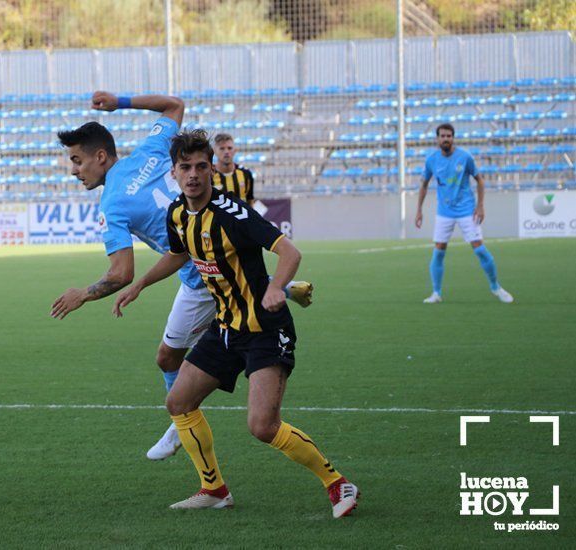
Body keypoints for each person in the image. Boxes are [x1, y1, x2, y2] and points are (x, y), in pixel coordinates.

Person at [51, 92, 313, 461]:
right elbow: (173, 105)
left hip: (200, 277)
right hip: (216, 248)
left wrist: (85, 293)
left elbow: (121, 272)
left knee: (167, 358)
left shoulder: (111, 203)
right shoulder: (148, 150)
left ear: (100, 156)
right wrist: (120, 102)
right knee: (242, 285)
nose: (74, 170)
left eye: (77, 161)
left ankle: (182, 421)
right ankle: (281, 286)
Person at [114, 129, 357, 517]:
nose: (193, 174)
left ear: (211, 169)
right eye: (185, 167)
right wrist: (140, 284)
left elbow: (289, 252)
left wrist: (278, 288)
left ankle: (338, 483)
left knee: (262, 426)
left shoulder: (234, 214)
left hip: (265, 328)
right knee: (178, 401)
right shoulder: (178, 214)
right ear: (174, 173)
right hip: (225, 328)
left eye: (200, 166)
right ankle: (213, 489)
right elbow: (179, 255)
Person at [416, 124, 513, 304]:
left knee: (480, 249)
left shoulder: (465, 157)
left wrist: (480, 206)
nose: (446, 139)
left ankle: (495, 287)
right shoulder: (431, 160)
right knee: (438, 252)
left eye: (449, 136)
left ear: (453, 138)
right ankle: (436, 293)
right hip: (444, 212)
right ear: (437, 139)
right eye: (443, 136)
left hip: (467, 210)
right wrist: (419, 210)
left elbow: (480, 181)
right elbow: (423, 185)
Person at [212, 133, 254, 205]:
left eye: (229, 148)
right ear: (215, 151)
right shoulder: (209, 175)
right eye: (222, 148)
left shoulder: (246, 173)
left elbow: (250, 201)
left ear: (235, 150)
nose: (226, 152)